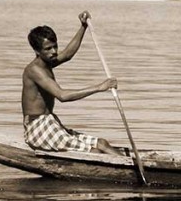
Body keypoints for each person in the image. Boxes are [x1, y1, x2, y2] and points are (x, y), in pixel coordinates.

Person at [21, 11, 124, 156]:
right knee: (94, 152)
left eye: (55, 46)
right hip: (37, 128)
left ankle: (129, 167)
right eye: (48, 49)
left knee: (102, 143)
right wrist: (100, 87)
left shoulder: (47, 62)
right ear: (37, 51)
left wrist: (83, 27)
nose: (54, 51)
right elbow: (62, 96)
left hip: (50, 122)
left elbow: (68, 54)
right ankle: (123, 170)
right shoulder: (34, 70)